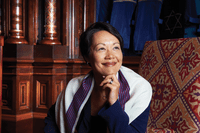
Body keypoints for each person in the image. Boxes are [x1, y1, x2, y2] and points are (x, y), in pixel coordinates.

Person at [44, 22, 152, 133]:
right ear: (87, 57)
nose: (110, 55)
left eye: (115, 47)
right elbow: (52, 117)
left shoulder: (139, 88)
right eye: (101, 49)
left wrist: (114, 103)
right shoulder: (75, 86)